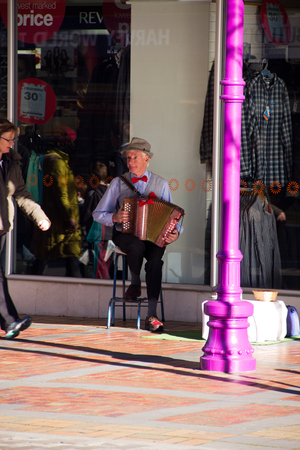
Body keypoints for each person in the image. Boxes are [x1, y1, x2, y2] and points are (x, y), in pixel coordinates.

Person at [93, 137, 183, 332]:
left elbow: (174, 215)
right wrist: (115, 217)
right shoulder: (119, 183)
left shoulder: (161, 183)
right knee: (136, 245)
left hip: (153, 237)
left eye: (135, 157)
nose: (130, 162)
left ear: (146, 159)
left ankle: (152, 315)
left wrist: (175, 234)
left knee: (155, 261)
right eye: (128, 158)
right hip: (125, 235)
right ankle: (135, 282)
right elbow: (98, 214)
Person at [0, 119, 51, 339]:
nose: (12, 143)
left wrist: (39, 216)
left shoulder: (12, 162)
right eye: (8, 139)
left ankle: (9, 321)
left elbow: (21, 193)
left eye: (14, 139)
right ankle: (9, 321)